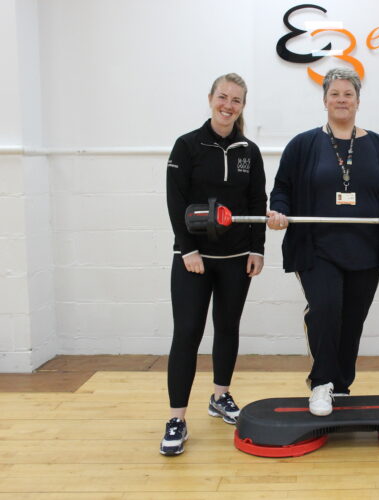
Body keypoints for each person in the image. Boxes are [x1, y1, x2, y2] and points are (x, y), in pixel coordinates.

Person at [267, 67, 379, 417]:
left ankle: (341, 385)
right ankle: (321, 382)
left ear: (358, 101)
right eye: (335, 94)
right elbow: (281, 188)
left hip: (365, 247)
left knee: (352, 318)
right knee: (327, 309)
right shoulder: (303, 144)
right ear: (324, 99)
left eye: (348, 94)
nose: (341, 99)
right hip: (316, 247)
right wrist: (279, 212)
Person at [161, 73, 267, 455]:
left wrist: (259, 249)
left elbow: (258, 201)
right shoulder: (187, 146)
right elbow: (175, 201)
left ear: (242, 106)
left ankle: (220, 395)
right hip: (194, 260)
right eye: (223, 97)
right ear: (210, 99)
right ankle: (177, 419)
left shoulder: (248, 151)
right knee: (187, 333)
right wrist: (187, 248)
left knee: (227, 327)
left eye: (236, 100)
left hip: (237, 259)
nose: (228, 105)